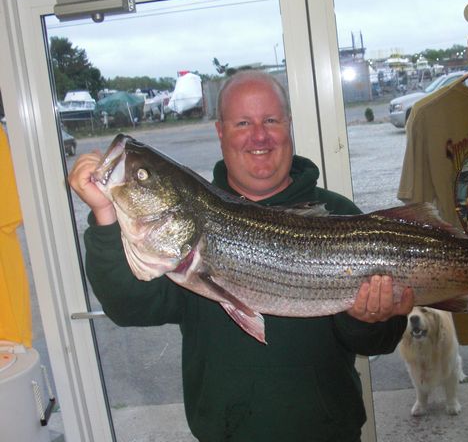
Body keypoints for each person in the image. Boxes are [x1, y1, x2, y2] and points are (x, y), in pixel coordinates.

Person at [68, 70, 414, 442]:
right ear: (220, 132)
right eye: (243, 123)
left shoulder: (337, 213)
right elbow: (129, 307)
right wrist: (106, 216)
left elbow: (379, 341)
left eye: (270, 120)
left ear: (288, 126)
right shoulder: (185, 233)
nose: (259, 136)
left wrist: (369, 320)